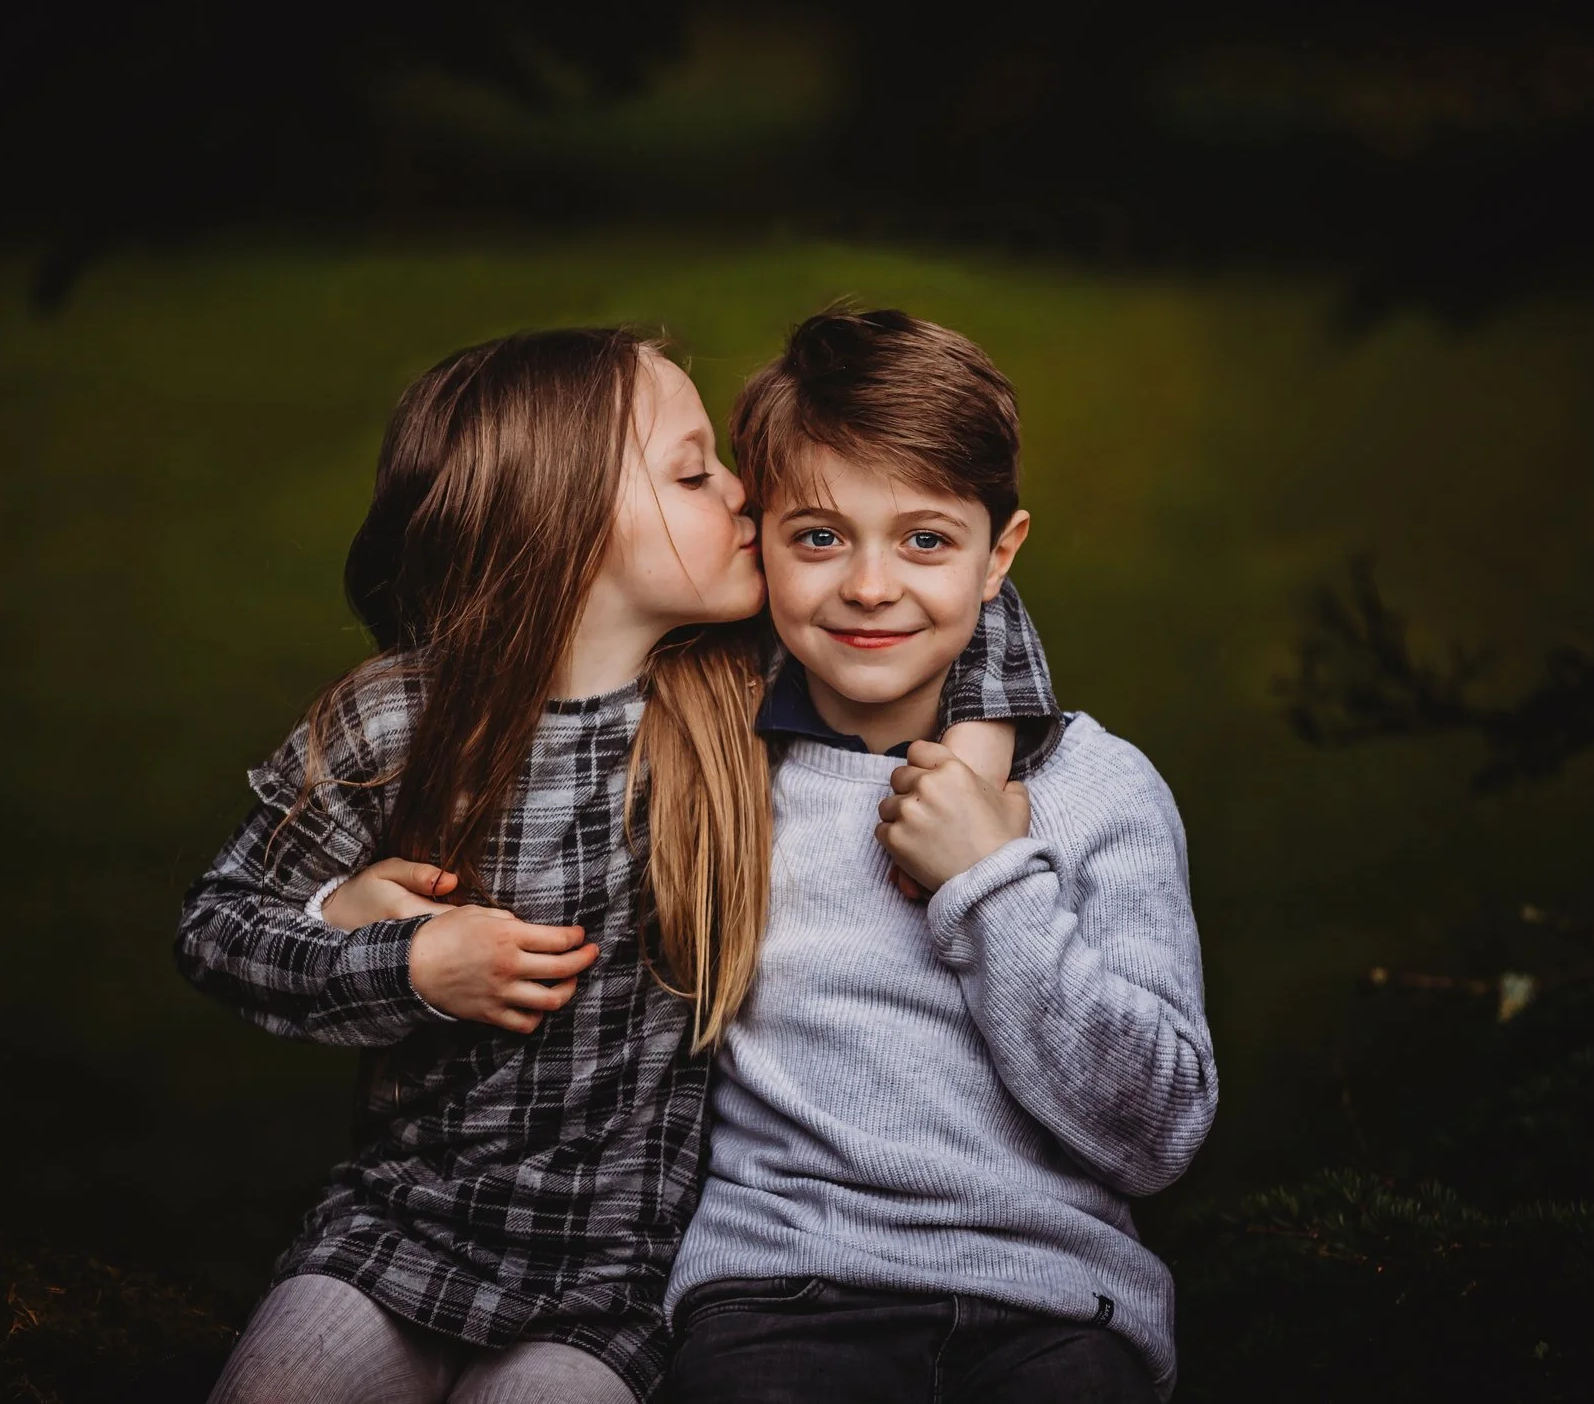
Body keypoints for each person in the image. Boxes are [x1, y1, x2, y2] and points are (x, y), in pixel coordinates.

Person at [176, 327, 1054, 1403]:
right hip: (399, 1225)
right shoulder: (400, 716)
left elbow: (948, 583)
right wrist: (400, 963)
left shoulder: (733, 694)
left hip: (619, 1279)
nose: (744, 492)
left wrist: (967, 768)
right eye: (694, 471)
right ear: (565, 520)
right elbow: (216, 924)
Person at [662, 309, 1219, 1403]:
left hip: (1053, 1305)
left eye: (925, 539)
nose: (870, 586)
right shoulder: (713, 771)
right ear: (759, 537)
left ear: (1000, 552)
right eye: (819, 536)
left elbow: (1157, 1133)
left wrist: (987, 880)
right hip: (781, 1292)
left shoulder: (1097, 792)